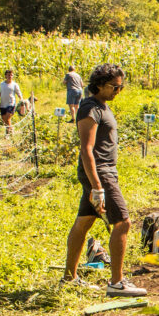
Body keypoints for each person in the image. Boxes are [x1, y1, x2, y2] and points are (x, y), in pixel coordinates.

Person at [63, 63, 146, 296]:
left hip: (104, 172)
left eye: (121, 87)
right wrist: (97, 186)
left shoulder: (101, 106)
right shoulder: (90, 108)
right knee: (123, 222)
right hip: (100, 173)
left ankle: (69, 277)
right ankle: (117, 283)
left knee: (84, 222)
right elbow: (86, 149)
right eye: (114, 87)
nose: (118, 91)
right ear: (99, 84)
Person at [0, 69, 25, 133]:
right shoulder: (2, 84)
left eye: (11, 75)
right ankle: (11, 130)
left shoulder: (14, 85)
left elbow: (19, 93)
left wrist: (21, 100)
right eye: (8, 75)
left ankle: (8, 134)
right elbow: (1, 93)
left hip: (11, 104)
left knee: (8, 118)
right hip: (3, 104)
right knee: (4, 120)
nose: (10, 76)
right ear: (5, 76)